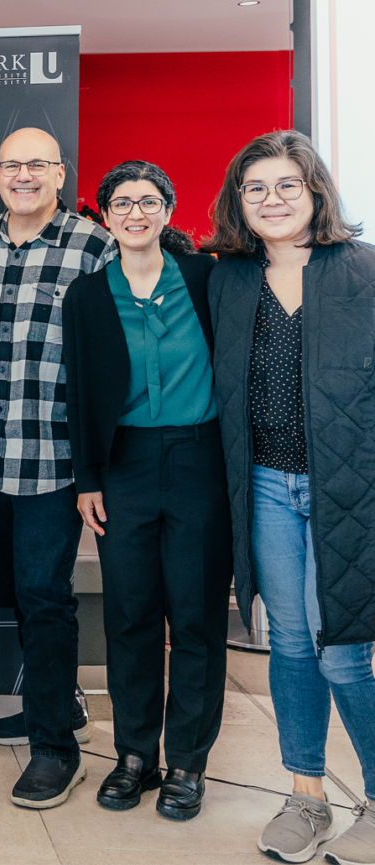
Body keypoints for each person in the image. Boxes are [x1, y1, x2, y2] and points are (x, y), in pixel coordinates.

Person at [205, 130, 375, 865]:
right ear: (238, 202)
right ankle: (306, 795)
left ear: (315, 192)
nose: (272, 199)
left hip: (350, 489)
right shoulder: (228, 277)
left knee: (343, 652)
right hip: (268, 485)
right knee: (291, 644)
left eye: (286, 185)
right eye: (256, 188)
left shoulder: (363, 270)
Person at [0, 127, 116, 808]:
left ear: (60, 173)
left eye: (37, 165)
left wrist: (96, 469)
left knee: (47, 601)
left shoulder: (95, 248)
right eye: (12, 164)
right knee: (14, 593)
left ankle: (56, 747)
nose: (24, 175)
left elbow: (113, 359)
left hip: (51, 461)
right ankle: (56, 705)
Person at [64, 161, 231, 821]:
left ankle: (188, 761)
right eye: (123, 202)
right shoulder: (86, 296)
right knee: (130, 614)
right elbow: (77, 392)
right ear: (105, 215)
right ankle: (136, 755)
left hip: (198, 462)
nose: (136, 212)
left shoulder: (206, 277)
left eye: (149, 200)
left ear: (168, 209)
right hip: (124, 465)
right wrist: (87, 480)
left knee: (194, 618)